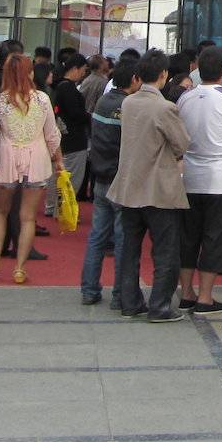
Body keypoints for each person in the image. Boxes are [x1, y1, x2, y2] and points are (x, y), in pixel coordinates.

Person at [108, 50, 189, 321]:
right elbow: (182, 143)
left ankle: (130, 302)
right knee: (165, 251)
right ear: (164, 75)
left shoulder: (129, 103)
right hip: (158, 188)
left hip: (129, 185)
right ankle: (160, 305)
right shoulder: (164, 107)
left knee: (129, 249)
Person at [0, 53, 62, 284]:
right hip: (36, 159)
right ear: (30, 72)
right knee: (27, 217)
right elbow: (52, 135)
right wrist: (58, 161)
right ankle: (20, 268)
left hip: (6, 158)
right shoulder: (43, 99)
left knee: (0, 211)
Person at [176, 46, 222, 315]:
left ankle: (186, 293)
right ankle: (205, 296)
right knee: (217, 236)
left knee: (188, 236)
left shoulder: (185, 98)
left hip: (189, 175)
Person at [81, 61, 136, 308]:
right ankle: (119, 295)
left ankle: (89, 289)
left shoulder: (104, 102)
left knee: (97, 237)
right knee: (123, 240)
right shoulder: (127, 107)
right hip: (120, 179)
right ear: (134, 79)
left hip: (101, 177)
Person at [46, 55, 89, 217]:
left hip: (62, 137)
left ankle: (52, 206)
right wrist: (88, 116)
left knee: (57, 174)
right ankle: (62, 209)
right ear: (75, 68)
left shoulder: (59, 87)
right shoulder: (69, 89)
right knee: (71, 177)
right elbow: (75, 114)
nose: (84, 74)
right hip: (74, 138)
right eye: (83, 70)